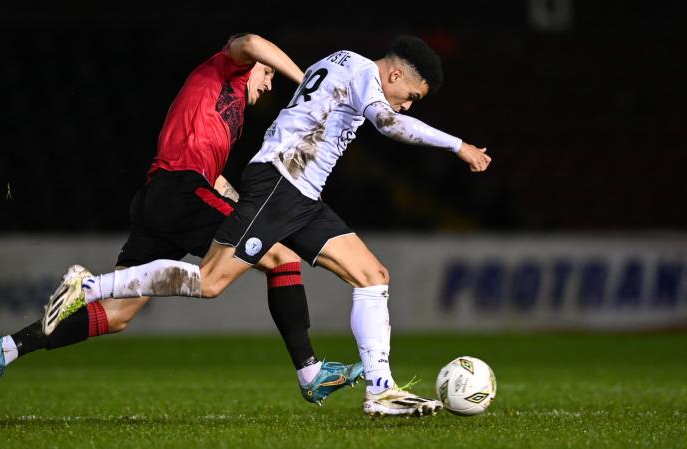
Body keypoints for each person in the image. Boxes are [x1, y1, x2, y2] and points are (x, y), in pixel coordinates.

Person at [44, 35, 491, 417]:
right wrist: (458, 146)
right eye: (411, 95)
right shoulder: (362, 73)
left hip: (304, 195)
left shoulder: (343, 61)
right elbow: (388, 123)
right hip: (279, 182)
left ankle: (380, 391)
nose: (407, 104)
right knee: (211, 282)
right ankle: (89, 287)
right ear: (394, 74)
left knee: (373, 275)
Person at [0, 33, 364, 408]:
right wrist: (307, 79)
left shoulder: (228, 116)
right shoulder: (225, 69)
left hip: (163, 197)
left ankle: (4, 350)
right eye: (268, 73)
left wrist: (253, 211)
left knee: (118, 315)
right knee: (282, 259)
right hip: (179, 191)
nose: (269, 83)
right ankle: (310, 372)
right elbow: (251, 41)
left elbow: (216, 182)